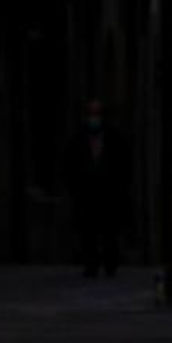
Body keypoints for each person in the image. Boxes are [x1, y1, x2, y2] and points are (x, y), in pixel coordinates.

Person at [65, 99, 130, 278]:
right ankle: (91, 264)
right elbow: (71, 164)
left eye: (97, 114)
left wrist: (119, 186)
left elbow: (123, 163)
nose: (94, 118)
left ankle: (110, 263)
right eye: (91, 114)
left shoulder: (113, 137)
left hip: (108, 191)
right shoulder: (79, 138)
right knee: (88, 230)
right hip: (86, 192)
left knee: (109, 230)